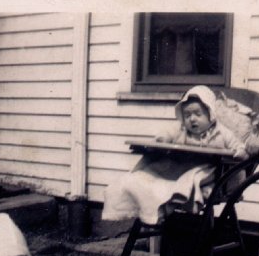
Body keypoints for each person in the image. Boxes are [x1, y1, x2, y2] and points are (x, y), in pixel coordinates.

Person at [101, 85, 249, 225]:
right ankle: (154, 207)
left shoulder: (221, 132)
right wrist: (162, 139)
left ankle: (177, 198)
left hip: (208, 169)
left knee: (192, 178)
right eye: (187, 115)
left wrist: (239, 151)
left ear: (210, 114)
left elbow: (236, 144)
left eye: (198, 114)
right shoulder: (181, 129)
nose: (192, 119)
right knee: (145, 177)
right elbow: (166, 134)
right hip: (180, 165)